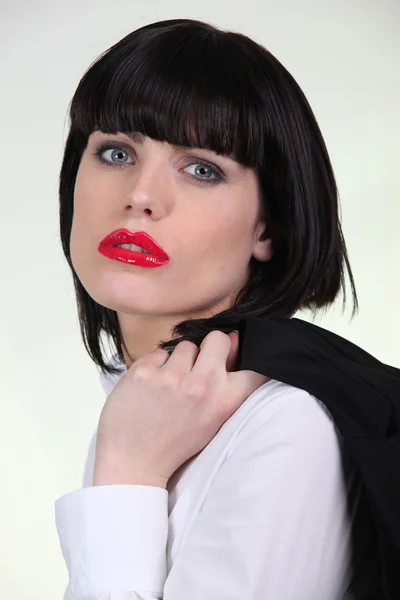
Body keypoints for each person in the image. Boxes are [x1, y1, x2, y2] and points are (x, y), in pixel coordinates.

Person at [54, 18, 390, 599]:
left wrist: (126, 472)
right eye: (115, 152)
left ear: (268, 227)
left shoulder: (285, 425)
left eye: (202, 169)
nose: (140, 195)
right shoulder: (148, 401)